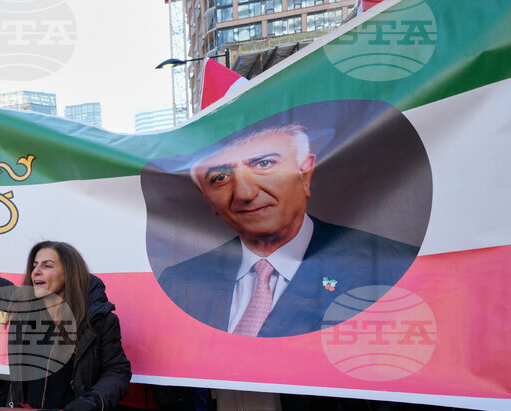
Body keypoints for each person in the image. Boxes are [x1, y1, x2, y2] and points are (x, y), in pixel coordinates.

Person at [158, 125, 418, 337]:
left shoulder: (390, 268)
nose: (245, 193)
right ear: (205, 197)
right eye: (220, 178)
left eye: (263, 164)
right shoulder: (179, 284)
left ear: (305, 174)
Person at [0, 200, 131, 411]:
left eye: (47, 266)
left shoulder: (99, 319)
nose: (36, 271)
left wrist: (92, 401)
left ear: (69, 274)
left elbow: (117, 370)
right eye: (34, 265)